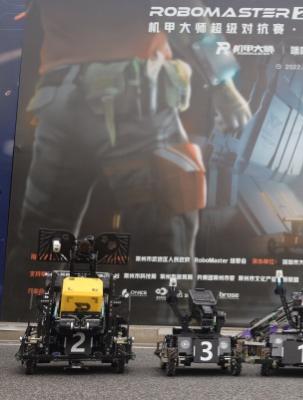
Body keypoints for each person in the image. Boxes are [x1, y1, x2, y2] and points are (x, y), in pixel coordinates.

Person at [12, 0, 251, 282]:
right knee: (163, 245)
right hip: (133, 100)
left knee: (43, 240)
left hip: (58, 100)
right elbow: (181, 11)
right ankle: (157, 308)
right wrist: (224, 85)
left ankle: (30, 305)